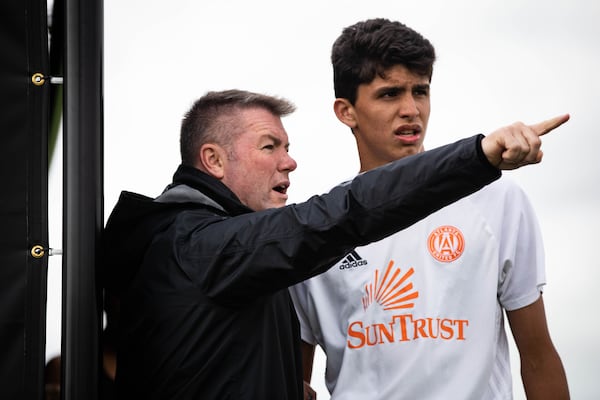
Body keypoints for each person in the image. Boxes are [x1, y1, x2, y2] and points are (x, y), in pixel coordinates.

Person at [101, 88, 567, 400]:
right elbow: (342, 214)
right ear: (214, 160)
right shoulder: (199, 246)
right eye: (270, 147)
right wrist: (476, 156)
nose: (291, 162)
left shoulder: (196, 249)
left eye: (287, 146)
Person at [289, 18, 570, 400]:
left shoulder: (497, 200)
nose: (411, 109)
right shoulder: (315, 228)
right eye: (389, 94)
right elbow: (293, 382)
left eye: (420, 91)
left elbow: (537, 357)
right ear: (346, 111)